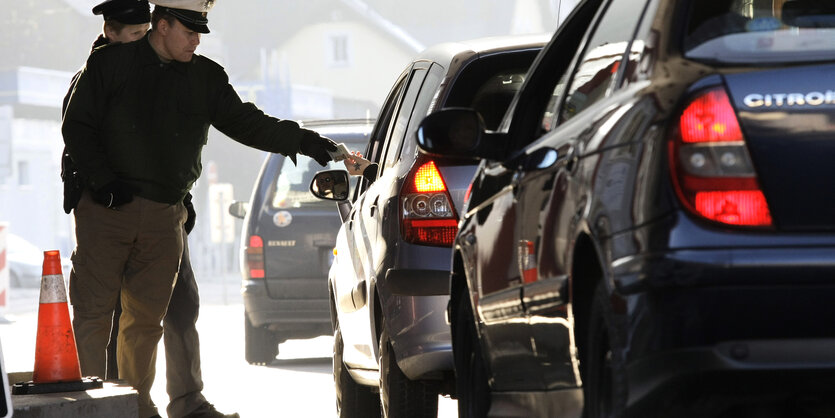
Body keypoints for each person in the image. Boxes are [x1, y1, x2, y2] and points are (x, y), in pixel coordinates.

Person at [61, 1, 338, 416]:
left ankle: (136, 407)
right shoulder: (111, 65)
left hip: (163, 214)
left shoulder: (205, 76)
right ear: (162, 24)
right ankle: (91, 410)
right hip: (106, 210)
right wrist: (103, 182)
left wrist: (303, 141)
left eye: (200, 31)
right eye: (188, 30)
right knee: (94, 316)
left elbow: (246, 121)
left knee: (146, 322)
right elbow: (76, 126)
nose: (196, 39)